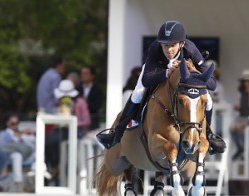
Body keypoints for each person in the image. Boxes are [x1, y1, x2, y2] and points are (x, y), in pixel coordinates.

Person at [96, 20, 225, 154]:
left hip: (183, 79)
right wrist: (167, 72)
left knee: (208, 100)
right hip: (157, 70)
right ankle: (117, 133)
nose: (169, 50)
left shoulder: (190, 49)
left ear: (182, 44)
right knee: (138, 93)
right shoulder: (155, 49)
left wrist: (192, 70)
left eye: (173, 46)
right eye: (165, 46)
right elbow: (146, 80)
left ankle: (209, 134)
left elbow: (212, 84)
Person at [0, 113, 35, 192]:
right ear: (7, 123)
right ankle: (19, 184)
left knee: (37, 154)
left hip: (25, 154)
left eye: (17, 123)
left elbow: (31, 145)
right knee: (17, 156)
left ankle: (32, 180)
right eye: (12, 123)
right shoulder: (3, 133)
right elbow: (2, 146)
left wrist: (25, 135)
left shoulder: (22, 134)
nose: (15, 125)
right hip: (10, 155)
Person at [231, 69, 249, 160]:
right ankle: (241, 147)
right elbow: (242, 107)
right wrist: (237, 108)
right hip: (242, 116)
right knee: (232, 128)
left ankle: (245, 149)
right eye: (246, 81)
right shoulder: (240, 92)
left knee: (239, 127)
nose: (247, 83)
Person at [79, 65, 104, 130]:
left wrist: (84, 104)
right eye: (82, 73)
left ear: (92, 76)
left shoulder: (97, 90)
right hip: (79, 123)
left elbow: (97, 105)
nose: (83, 75)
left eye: (86, 73)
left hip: (93, 123)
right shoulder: (77, 89)